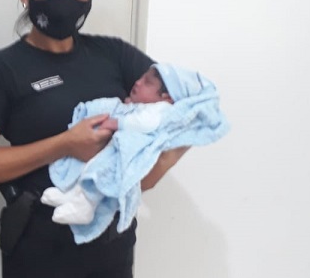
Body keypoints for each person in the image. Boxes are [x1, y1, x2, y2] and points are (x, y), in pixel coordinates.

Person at [0, 0, 188, 278]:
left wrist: (151, 170)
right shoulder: (2, 69)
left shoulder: (115, 55)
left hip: (112, 246)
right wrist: (65, 144)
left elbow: (185, 109)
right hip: (38, 247)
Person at [41, 63, 230, 242]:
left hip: (123, 152)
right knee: (90, 166)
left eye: (147, 82)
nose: (138, 82)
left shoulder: (162, 110)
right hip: (111, 147)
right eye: (141, 78)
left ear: (166, 98)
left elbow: (145, 123)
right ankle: (74, 195)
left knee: (99, 171)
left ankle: (85, 205)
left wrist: (118, 122)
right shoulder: (146, 107)